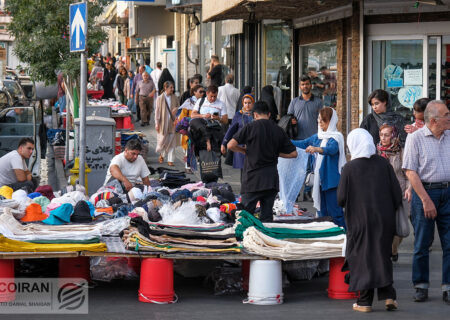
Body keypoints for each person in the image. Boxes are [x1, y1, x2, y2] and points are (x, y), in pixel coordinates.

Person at [337, 128, 402, 313]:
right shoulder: (383, 164)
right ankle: (389, 296)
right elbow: (397, 194)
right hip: (384, 219)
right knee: (382, 255)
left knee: (363, 257)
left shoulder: (349, 168)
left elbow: (341, 198)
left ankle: (365, 302)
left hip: (360, 220)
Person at [402, 100, 450, 304]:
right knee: (422, 243)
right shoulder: (415, 138)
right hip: (425, 192)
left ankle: (448, 286)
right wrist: (425, 199)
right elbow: (410, 172)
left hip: (448, 192)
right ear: (434, 120)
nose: (449, 117)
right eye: (446, 115)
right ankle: (420, 285)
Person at [228, 101, 297, 222]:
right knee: (266, 218)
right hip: (271, 180)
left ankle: (246, 239)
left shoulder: (250, 127)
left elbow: (230, 145)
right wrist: (276, 153)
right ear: (269, 114)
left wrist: (244, 150)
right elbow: (293, 154)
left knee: (246, 217)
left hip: (252, 179)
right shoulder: (278, 130)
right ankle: (266, 239)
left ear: (254, 115)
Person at [292, 107, 346, 227]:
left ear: (331, 121)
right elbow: (302, 143)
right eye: (319, 120)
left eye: (323, 120)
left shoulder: (336, 137)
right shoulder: (317, 136)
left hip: (332, 182)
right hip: (319, 181)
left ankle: (344, 236)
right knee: (322, 212)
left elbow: (332, 150)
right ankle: (327, 235)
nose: (320, 123)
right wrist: (283, 140)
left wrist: (317, 149)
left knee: (335, 213)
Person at [377, 124, 412, 261]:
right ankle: (387, 251)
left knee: (401, 227)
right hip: (382, 194)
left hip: (401, 192)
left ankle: (394, 248)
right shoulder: (376, 151)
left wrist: (409, 188)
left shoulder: (401, 151)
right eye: (381, 135)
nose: (383, 138)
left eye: (387, 135)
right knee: (385, 224)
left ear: (393, 136)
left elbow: (408, 173)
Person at [221, 94, 254, 178]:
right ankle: (244, 190)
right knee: (243, 172)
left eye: (249, 103)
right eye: (245, 103)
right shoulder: (238, 115)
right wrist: (224, 143)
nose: (247, 105)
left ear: (253, 103)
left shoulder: (256, 115)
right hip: (241, 146)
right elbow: (231, 130)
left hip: (254, 145)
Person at [178, 84, 204, 173]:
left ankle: (193, 166)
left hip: (200, 129)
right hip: (190, 129)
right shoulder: (189, 102)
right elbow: (182, 117)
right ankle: (188, 167)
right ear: (194, 92)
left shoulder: (203, 102)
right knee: (189, 148)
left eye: (203, 91)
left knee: (197, 148)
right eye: (200, 91)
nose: (202, 93)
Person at [155, 81, 180, 167]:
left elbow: (179, 109)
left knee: (172, 141)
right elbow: (157, 111)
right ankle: (162, 154)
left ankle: (170, 160)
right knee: (163, 140)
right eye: (171, 88)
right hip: (163, 122)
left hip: (172, 122)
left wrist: (176, 109)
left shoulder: (175, 97)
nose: (172, 89)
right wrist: (157, 123)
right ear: (165, 88)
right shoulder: (160, 98)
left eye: (173, 88)